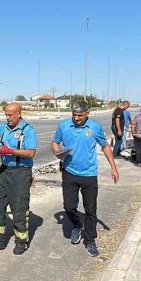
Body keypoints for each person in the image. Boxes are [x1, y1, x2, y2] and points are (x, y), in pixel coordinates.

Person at [51, 101, 119, 257]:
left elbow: (105, 146)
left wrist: (113, 167)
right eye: (74, 115)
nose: (76, 118)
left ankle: (90, 240)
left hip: (89, 174)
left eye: (80, 115)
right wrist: (58, 152)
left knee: (90, 209)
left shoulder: (95, 127)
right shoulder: (64, 126)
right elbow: (55, 143)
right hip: (69, 172)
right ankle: (77, 224)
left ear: (87, 113)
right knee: (69, 206)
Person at [0, 102, 38, 255]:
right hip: (5, 170)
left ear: (19, 114)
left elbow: (31, 153)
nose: (7, 117)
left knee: (19, 208)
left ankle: (21, 241)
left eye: (10, 115)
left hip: (21, 172)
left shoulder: (28, 130)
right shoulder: (4, 128)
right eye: (6, 114)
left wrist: (10, 150)